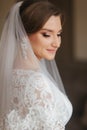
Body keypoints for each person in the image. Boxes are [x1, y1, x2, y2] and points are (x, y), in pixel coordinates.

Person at [0, 0, 72, 129]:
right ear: (23, 34)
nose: (57, 43)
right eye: (47, 34)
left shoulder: (8, 73)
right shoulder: (36, 82)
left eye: (59, 34)